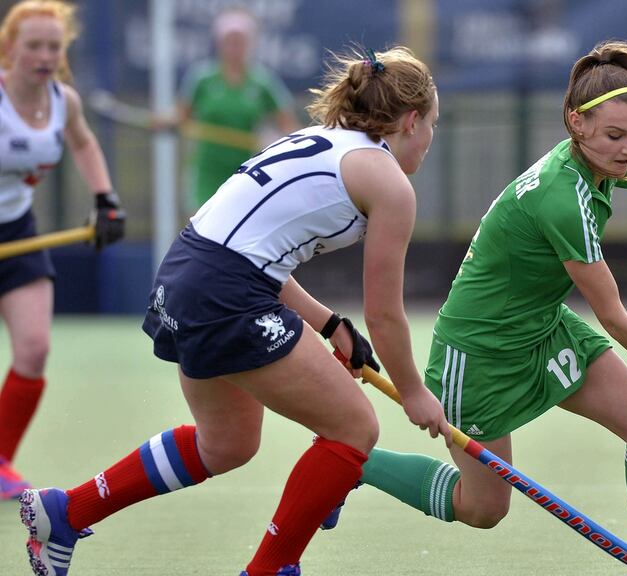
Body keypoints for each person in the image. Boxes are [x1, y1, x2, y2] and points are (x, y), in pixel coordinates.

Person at [20, 45, 451, 576]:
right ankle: (269, 570)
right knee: (353, 428)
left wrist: (329, 323)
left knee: (225, 444)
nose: (431, 139)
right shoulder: (389, 184)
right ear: (411, 122)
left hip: (186, 271)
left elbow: (253, 249)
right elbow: (384, 314)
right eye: (433, 124)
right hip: (225, 290)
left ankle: (66, 512)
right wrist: (412, 392)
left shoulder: (319, 143)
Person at [324, 40, 627, 576]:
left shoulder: (605, 162)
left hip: (542, 329)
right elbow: (613, 317)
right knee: (483, 509)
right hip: (479, 354)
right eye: (615, 136)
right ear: (577, 124)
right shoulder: (562, 198)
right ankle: (352, 466)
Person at [0, 0, 125, 499]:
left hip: (20, 234)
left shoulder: (63, 101)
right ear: (10, 48)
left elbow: (84, 142)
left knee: (34, 349)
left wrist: (105, 199)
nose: (44, 55)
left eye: (54, 46)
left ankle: (1, 460)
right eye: (33, 45)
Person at [176, 6, 298, 211]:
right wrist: (163, 123)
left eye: (240, 42)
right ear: (219, 44)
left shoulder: (263, 82)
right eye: (229, 42)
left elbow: (288, 125)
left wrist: (281, 141)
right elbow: (180, 118)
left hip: (247, 171)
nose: (235, 48)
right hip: (207, 171)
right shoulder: (202, 78)